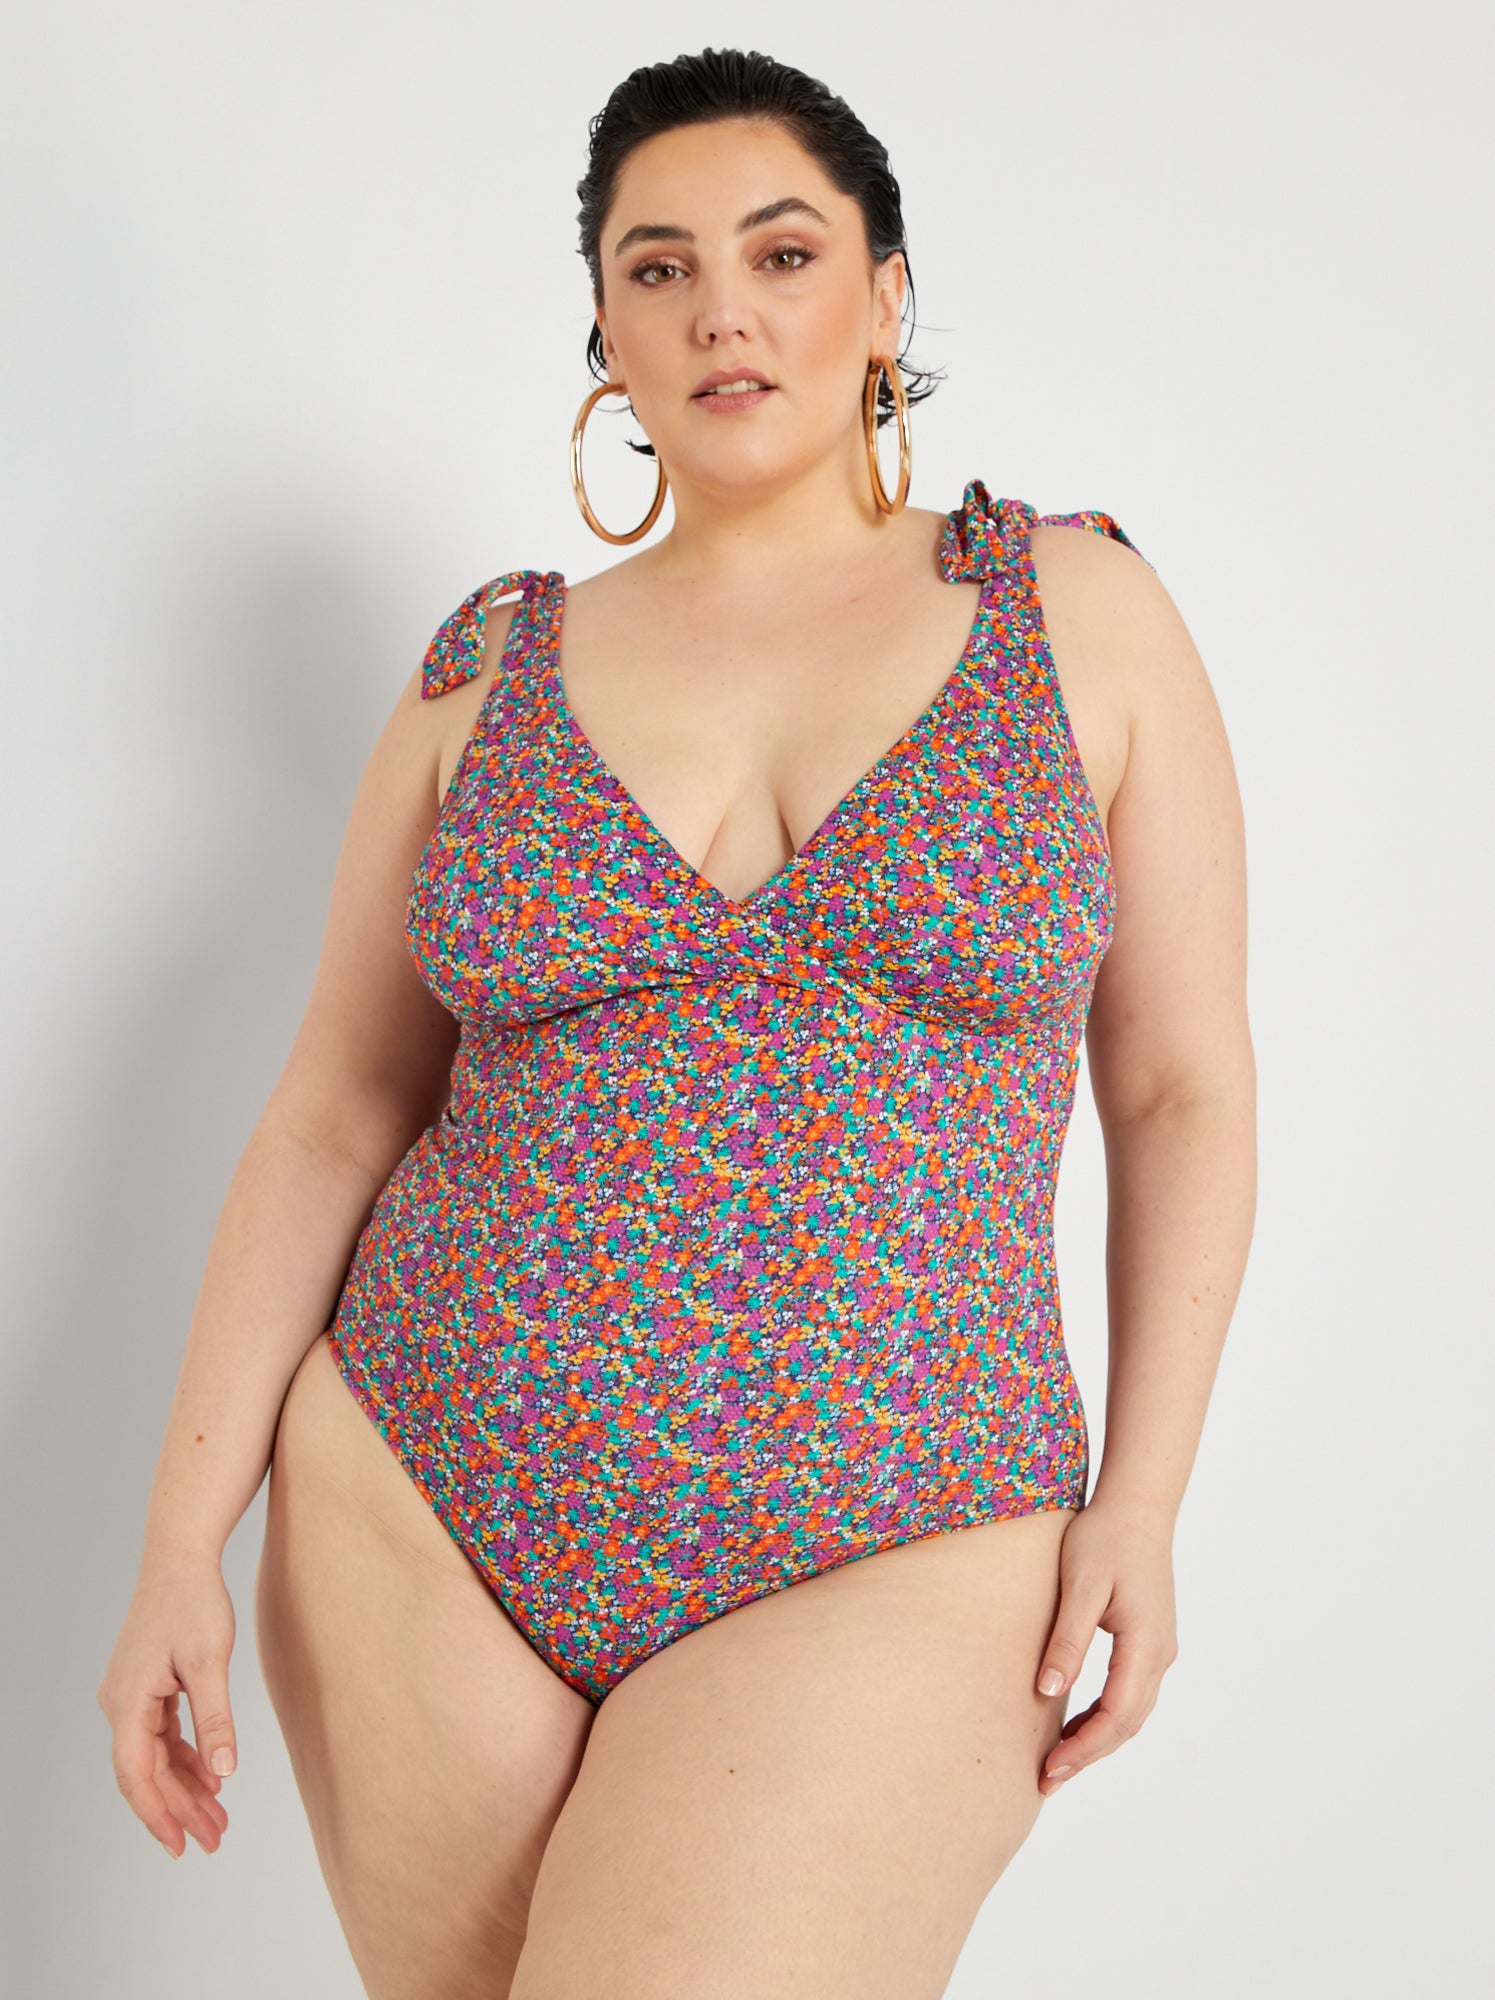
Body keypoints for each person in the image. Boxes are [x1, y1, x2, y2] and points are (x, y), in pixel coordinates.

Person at [97, 44, 1256, 2000]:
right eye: (659, 268)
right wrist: (172, 1548)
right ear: (606, 336)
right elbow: (331, 1113)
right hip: (423, 1498)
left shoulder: (1074, 611)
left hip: (908, 1517)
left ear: (885, 298)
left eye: (782, 253)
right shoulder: (487, 669)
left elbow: (1180, 1086)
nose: (723, 308)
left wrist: (1143, 1500)